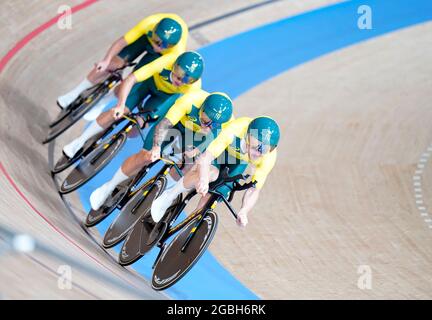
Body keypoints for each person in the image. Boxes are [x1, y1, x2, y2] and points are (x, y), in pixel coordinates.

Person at [89, 88, 234, 211]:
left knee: (186, 163)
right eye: (205, 120)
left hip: (194, 135)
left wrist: (195, 151)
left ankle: (159, 193)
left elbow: (209, 147)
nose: (207, 125)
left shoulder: (226, 125)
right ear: (202, 108)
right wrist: (156, 147)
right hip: (176, 124)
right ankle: (109, 186)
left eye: (212, 125)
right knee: (146, 156)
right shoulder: (191, 100)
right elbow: (165, 124)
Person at [62, 51, 204, 160]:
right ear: (174, 66)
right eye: (178, 76)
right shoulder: (165, 62)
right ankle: (78, 142)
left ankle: (117, 139)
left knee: (140, 125)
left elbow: (179, 112)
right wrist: (120, 104)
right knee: (119, 111)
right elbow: (131, 79)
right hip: (148, 84)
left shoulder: (194, 88)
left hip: (164, 97)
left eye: (187, 80)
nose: (180, 82)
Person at [151, 116, 280, 227]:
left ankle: (189, 229)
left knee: (213, 197)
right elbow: (206, 157)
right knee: (210, 175)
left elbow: (254, 188)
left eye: (263, 151)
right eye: (255, 148)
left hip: (238, 163)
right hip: (220, 153)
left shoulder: (269, 157)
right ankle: (169, 196)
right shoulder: (234, 130)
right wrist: (203, 180)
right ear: (247, 138)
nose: (258, 154)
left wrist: (244, 211)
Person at [57, 13, 187, 115]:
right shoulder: (149, 23)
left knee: (131, 80)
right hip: (145, 38)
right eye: (157, 41)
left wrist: (130, 80)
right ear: (154, 31)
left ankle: (104, 101)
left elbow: (136, 77)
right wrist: (106, 61)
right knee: (112, 64)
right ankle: (74, 93)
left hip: (161, 57)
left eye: (165, 45)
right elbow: (121, 42)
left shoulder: (175, 53)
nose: (159, 46)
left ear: (172, 45)